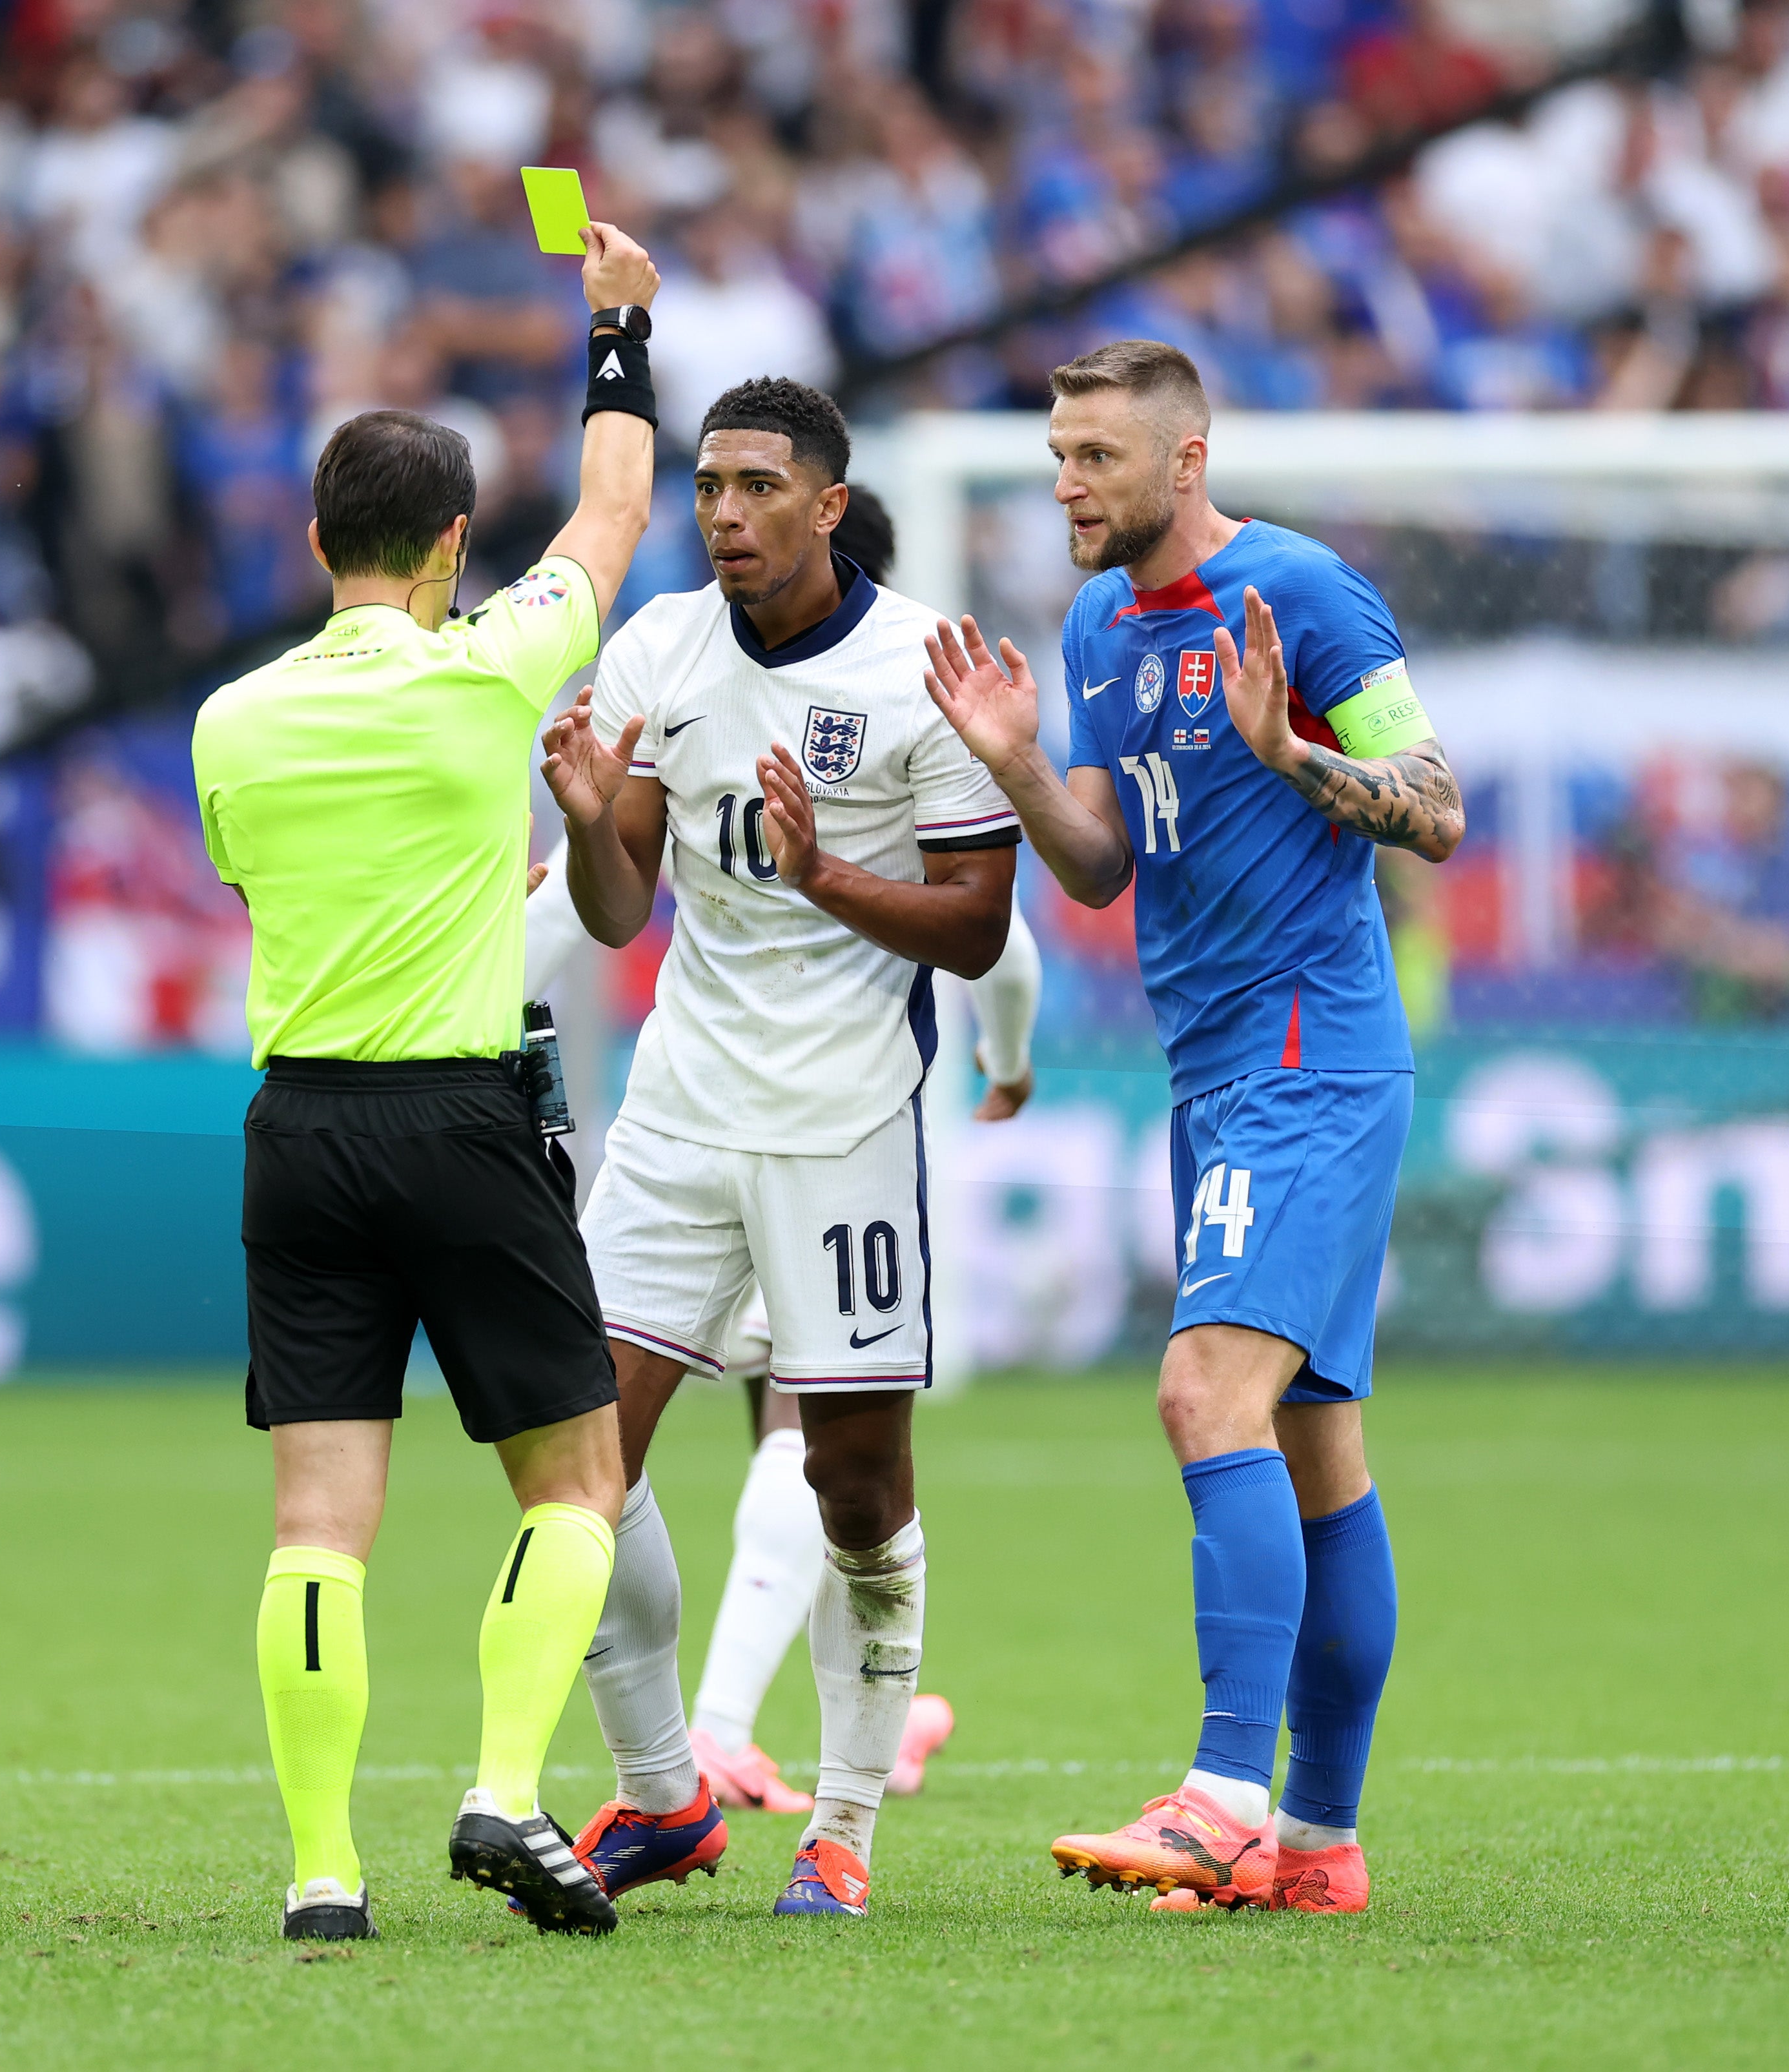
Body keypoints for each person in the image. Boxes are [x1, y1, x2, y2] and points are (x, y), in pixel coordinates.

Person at [921, 339, 1462, 1918]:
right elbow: (1097, 867)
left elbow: (1433, 803)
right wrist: (1018, 759)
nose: (1065, 483)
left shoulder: (1303, 593)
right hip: (1212, 1068)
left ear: (1186, 458)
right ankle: (1319, 1844)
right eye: (1057, 454)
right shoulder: (1094, 624)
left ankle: (1225, 1797)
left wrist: (1293, 755)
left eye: (1094, 456)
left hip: (1312, 1051)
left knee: (1198, 1391)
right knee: (1315, 1449)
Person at [189, 221, 663, 1945]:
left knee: (316, 1529)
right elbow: (610, 513)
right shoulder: (484, 675)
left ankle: (322, 1875)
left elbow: (256, 892)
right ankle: (500, 1784)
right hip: (465, 1117)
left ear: (314, 542)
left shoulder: (228, 721)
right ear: (455, 544)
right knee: (573, 1482)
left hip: (296, 1131)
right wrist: (614, 329)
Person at [538, 376, 1021, 1920]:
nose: (726, 514)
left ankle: (847, 1828)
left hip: (841, 1131)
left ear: (827, 504)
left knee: (853, 1486)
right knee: (575, 1463)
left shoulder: (920, 669)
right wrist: (600, 817)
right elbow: (621, 917)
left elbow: (977, 927)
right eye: (709, 487)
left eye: (759, 488)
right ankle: (666, 1787)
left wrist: (826, 878)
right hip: (681, 1112)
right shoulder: (658, 648)